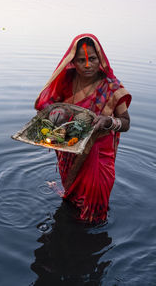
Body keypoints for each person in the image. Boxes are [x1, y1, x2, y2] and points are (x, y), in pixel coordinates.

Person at [35, 34, 132, 224]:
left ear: (100, 59)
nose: (88, 65)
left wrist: (108, 122)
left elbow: (126, 123)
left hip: (98, 154)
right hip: (70, 147)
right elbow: (47, 105)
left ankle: (90, 235)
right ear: (73, 62)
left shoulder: (111, 87)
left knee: (95, 208)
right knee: (73, 196)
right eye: (81, 60)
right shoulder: (66, 81)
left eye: (92, 59)